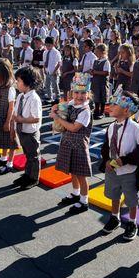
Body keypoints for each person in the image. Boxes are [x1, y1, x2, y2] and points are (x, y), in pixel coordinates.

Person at [99, 88, 139, 241]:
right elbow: (106, 146)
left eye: (115, 105)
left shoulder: (136, 129)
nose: (111, 106)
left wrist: (126, 160)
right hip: (113, 171)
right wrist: (106, 159)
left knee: (131, 199)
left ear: (126, 110)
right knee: (114, 195)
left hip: (129, 172)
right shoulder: (111, 126)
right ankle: (115, 217)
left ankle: (132, 222)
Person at [52, 73, 93, 215]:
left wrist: (57, 118)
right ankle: (76, 193)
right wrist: (56, 108)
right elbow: (58, 106)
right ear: (72, 93)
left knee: (81, 175)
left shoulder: (85, 111)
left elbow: (74, 128)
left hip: (79, 146)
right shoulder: (71, 104)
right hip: (68, 143)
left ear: (88, 94)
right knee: (73, 172)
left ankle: (84, 201)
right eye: (76, 92)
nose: (79, 96)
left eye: (83, 93)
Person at [11, 66, 43, 189]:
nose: (16, 83)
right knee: (27, 155)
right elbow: (16, 112)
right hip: (22, 130)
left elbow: (36, 118)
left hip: (31, 132)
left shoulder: (34, 98)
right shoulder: (21, 96)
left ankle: (34, 178)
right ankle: (27, 175)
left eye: (18, 80)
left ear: (27, 83)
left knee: (33, 156)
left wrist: (21, 119)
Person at [90, 44, 111, 119]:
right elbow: (93, 70)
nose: (96, 53)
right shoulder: (95, 61)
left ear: (103, 52)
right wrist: (92, 72)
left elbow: (106, 72)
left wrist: (96, 72)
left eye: (98, 52)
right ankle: (96, 111)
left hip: (102, 83)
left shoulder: (106, 62)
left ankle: (102, 112)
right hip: (95, 82)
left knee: (102, 97)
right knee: (96, 97)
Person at [42, 36, 62, 104]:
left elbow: (59, 63)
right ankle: (50, 97)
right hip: (47, 71)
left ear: (53, 45)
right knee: (47, 85)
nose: (47, 47)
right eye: (46, 45)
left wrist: (55, 71)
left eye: (49, 45)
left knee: (55, 85)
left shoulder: (56, 52)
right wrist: (44, 69)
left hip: (54, 71)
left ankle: (57, 97)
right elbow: (44, 62)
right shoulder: (45, 52)